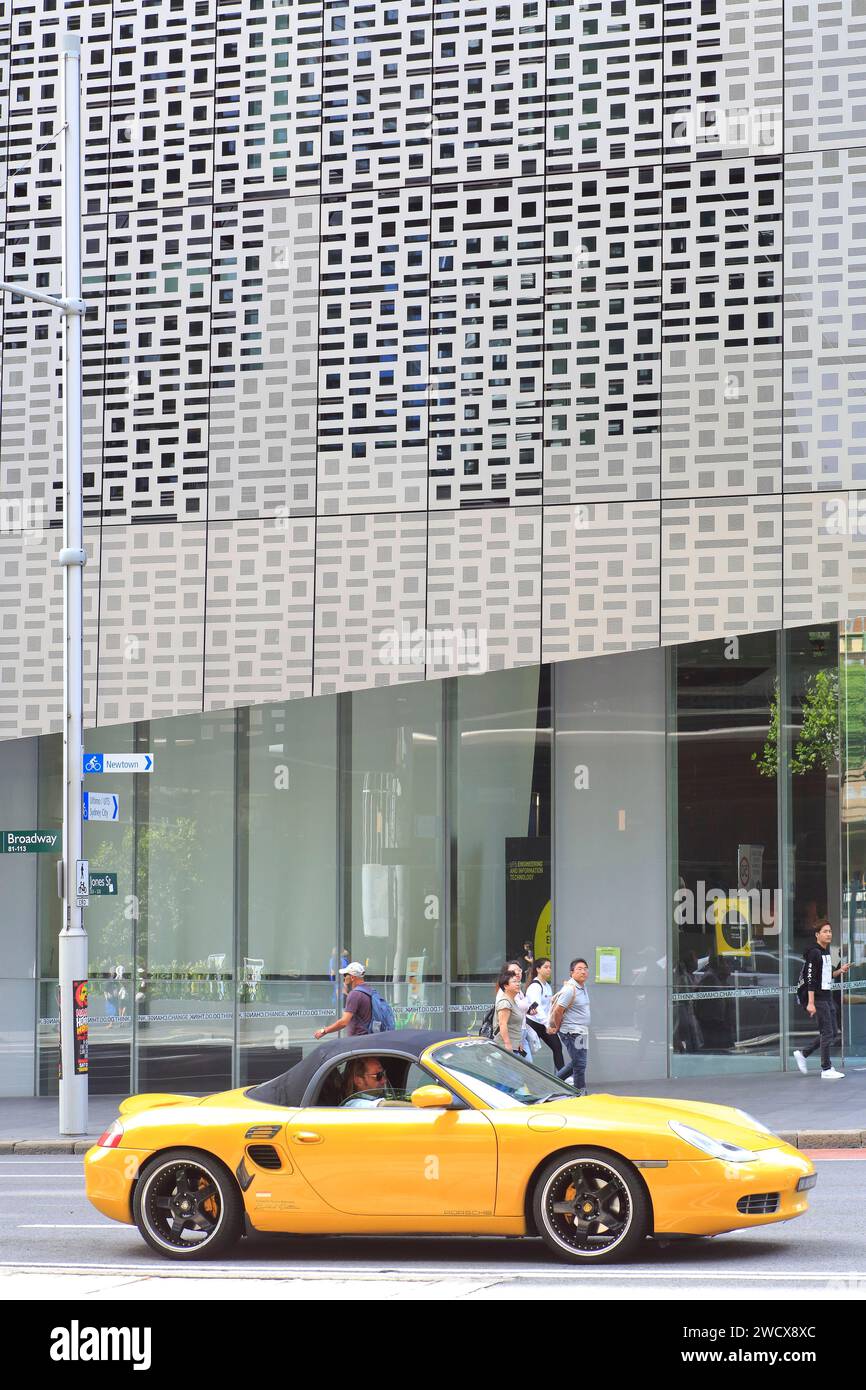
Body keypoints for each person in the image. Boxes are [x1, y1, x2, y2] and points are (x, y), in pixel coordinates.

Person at [794, 922, 850, 1079]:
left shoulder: (824, 952)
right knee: (827, 1032)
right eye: (825, 931)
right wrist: (810, 1002)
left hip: (826, 996)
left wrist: (840, 970)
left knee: (831, 1032)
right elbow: (810, 979)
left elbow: (825, 976)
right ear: (817, 935)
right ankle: (826, 1068)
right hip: (818, 998)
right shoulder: (814, 953)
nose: (829, 934)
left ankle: (803, 1053)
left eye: (830, 931)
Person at [548, 957, 591, 1094]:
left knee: (578, 1062)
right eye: (579, 969)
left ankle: (552, 1082)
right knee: (580, 1064)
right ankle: (580, 1092)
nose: (583, 971)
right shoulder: (570, 989)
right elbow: (558, 1010)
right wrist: (558, 1026)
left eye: (585, 969)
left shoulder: (582, 987)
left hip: (581, 1031)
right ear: (571, 972)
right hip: (571, 1032)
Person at [524, 957, 565, 1072]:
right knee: (529, 1051)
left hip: (544, 1023)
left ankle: (563, 1077)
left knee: (557, 1047)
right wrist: (548, 1024)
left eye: (550, 967)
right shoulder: (535, 986)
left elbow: (548, 1007)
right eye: (546, 967)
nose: (549, 970)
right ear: (538, 969)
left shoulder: (547, 986)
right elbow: (537, 1008)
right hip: (532, 1023)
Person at [314, 961, 371, 1039]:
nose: (344, 977)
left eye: (345, 975)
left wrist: (324, 1031)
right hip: (368, 1037)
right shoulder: (368, 990)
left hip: (358, 1040)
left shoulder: (355, 994)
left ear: (352, 977)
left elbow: (344, 1022)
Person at [493, 967, 528, 1057]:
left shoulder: (513, 1001)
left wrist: (518, 1042)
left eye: (518, 982)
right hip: (505, 1049)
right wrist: (507, 1044)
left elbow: (514, 1025)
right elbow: (502, 1024)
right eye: (514, 982)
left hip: (515, 1047)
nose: (518, 984)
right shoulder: (505, 1002)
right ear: (506, 986)